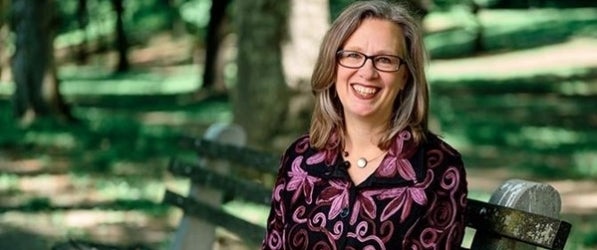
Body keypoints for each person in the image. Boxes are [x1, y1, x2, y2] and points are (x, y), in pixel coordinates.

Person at [262, 1, 468, 249]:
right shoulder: (300, 158)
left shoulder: (439, 169)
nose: (367, 72)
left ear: (405, 76)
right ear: (333, 66)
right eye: (353, 55)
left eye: (384, 59)